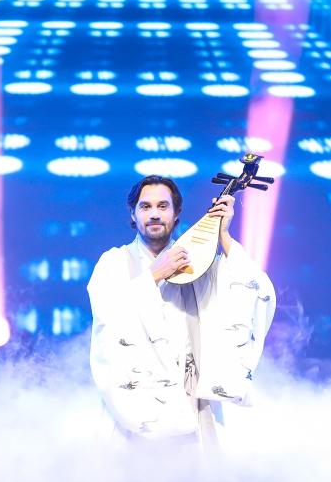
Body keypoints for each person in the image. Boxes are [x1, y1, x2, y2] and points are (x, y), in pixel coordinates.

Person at [87, 175, 276, 443]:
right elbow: (108, 318)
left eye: (163, 206)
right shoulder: (113, 262)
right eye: (145, 206)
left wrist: (223, 235)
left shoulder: (199, 263)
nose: (154, 214)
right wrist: (153, 275)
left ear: (176, 214)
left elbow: (252, 290)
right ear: (133, 214)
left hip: (191, 405)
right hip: (134, 409)